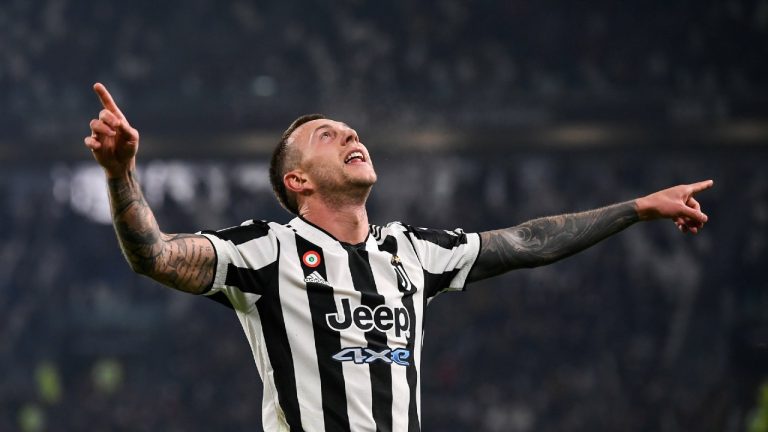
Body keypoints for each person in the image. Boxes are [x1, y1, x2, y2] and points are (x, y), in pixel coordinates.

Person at [85, 82, 713, 432]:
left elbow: (525, 243)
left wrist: (638, 207)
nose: (350, 134)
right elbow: (156, 256)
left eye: (350, 130)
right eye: (327, 136)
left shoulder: (411, 252)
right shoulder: (267, 250)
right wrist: (120, 175)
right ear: (298, 181)